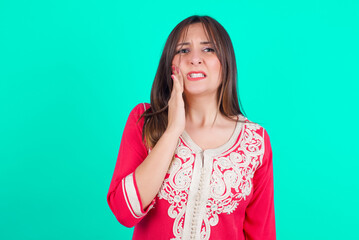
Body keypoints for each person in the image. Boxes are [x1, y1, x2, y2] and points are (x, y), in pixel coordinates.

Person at [107, 15, 276, 240]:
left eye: (208, 49)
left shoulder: (254, 141)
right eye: (183, 51)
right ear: (170, 64)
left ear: (226, 61)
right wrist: (173, 130)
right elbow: (124, 212)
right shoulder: (146, 120)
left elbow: (261, 234)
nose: (195, 59)